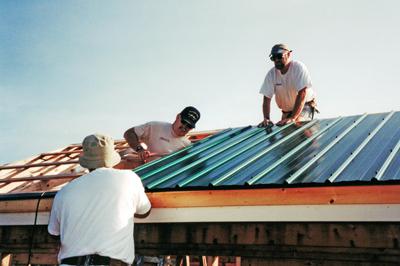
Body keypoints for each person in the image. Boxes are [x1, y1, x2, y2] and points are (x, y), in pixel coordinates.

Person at [48, 133, 151, 266]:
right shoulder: (129, 178)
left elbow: (53, 233)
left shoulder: (64, 192)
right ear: (111, 158)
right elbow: (145, 211)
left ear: (86, 160)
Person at [259, 43, 318, 127]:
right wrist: (266, 118)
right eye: (273, 58)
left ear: (288, 54)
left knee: (297, 126)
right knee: (284, 133)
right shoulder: (271, 74)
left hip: (304, 106)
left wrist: (293, 118)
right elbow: (266, 99)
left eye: (279, 56)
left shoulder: (298, 68)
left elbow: (302, 93)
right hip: (286, 111)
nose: (276, 60)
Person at [122, 106, 201, 164]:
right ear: (177, 117)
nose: (184, 127)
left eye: (189, 126)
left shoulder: (187, 146)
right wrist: (139, 149)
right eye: (183, 122)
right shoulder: (155, 127)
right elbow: (129, 133)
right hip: (147, 175)